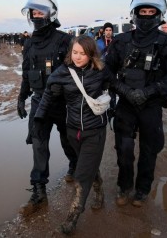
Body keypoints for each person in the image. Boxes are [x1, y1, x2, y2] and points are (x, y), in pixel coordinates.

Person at [105, 0, 167, 207]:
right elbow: (107, 72)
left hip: (151, 105)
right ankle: (124, 186)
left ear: (159, 15)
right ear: (135, 13)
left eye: (152, 12)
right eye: (143, 12)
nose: (147, 16)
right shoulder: (120, 41)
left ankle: (142, 189)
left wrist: (149, 92)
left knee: (149, 150)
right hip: (125, 103)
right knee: (123, 149)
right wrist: (124, 90)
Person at [34, 35, 115, 235]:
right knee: (88, 166)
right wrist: (38, 118)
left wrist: (126, 101)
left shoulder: (101, 71)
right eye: (75, 52)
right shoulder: (62, 72)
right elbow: (47, 95)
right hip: (73, 130)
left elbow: (116, 86)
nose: (78, 57)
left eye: (83, 53)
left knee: (80, 175)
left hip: (95, 130)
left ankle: (72, 217)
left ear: (91, 54)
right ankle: (99, 191)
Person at [17, 0, 78, 216]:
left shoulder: (64, 40)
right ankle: (39, 189)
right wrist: (21, 98)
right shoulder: (29, 42)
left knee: (67, 140)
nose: (36, 15)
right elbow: (26, 73)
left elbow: (76, 72)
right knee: (39, 144)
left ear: (51, 14)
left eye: (40, 11)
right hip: (38, 101)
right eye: (33, 12)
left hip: (62, 103)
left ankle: (74, 165)